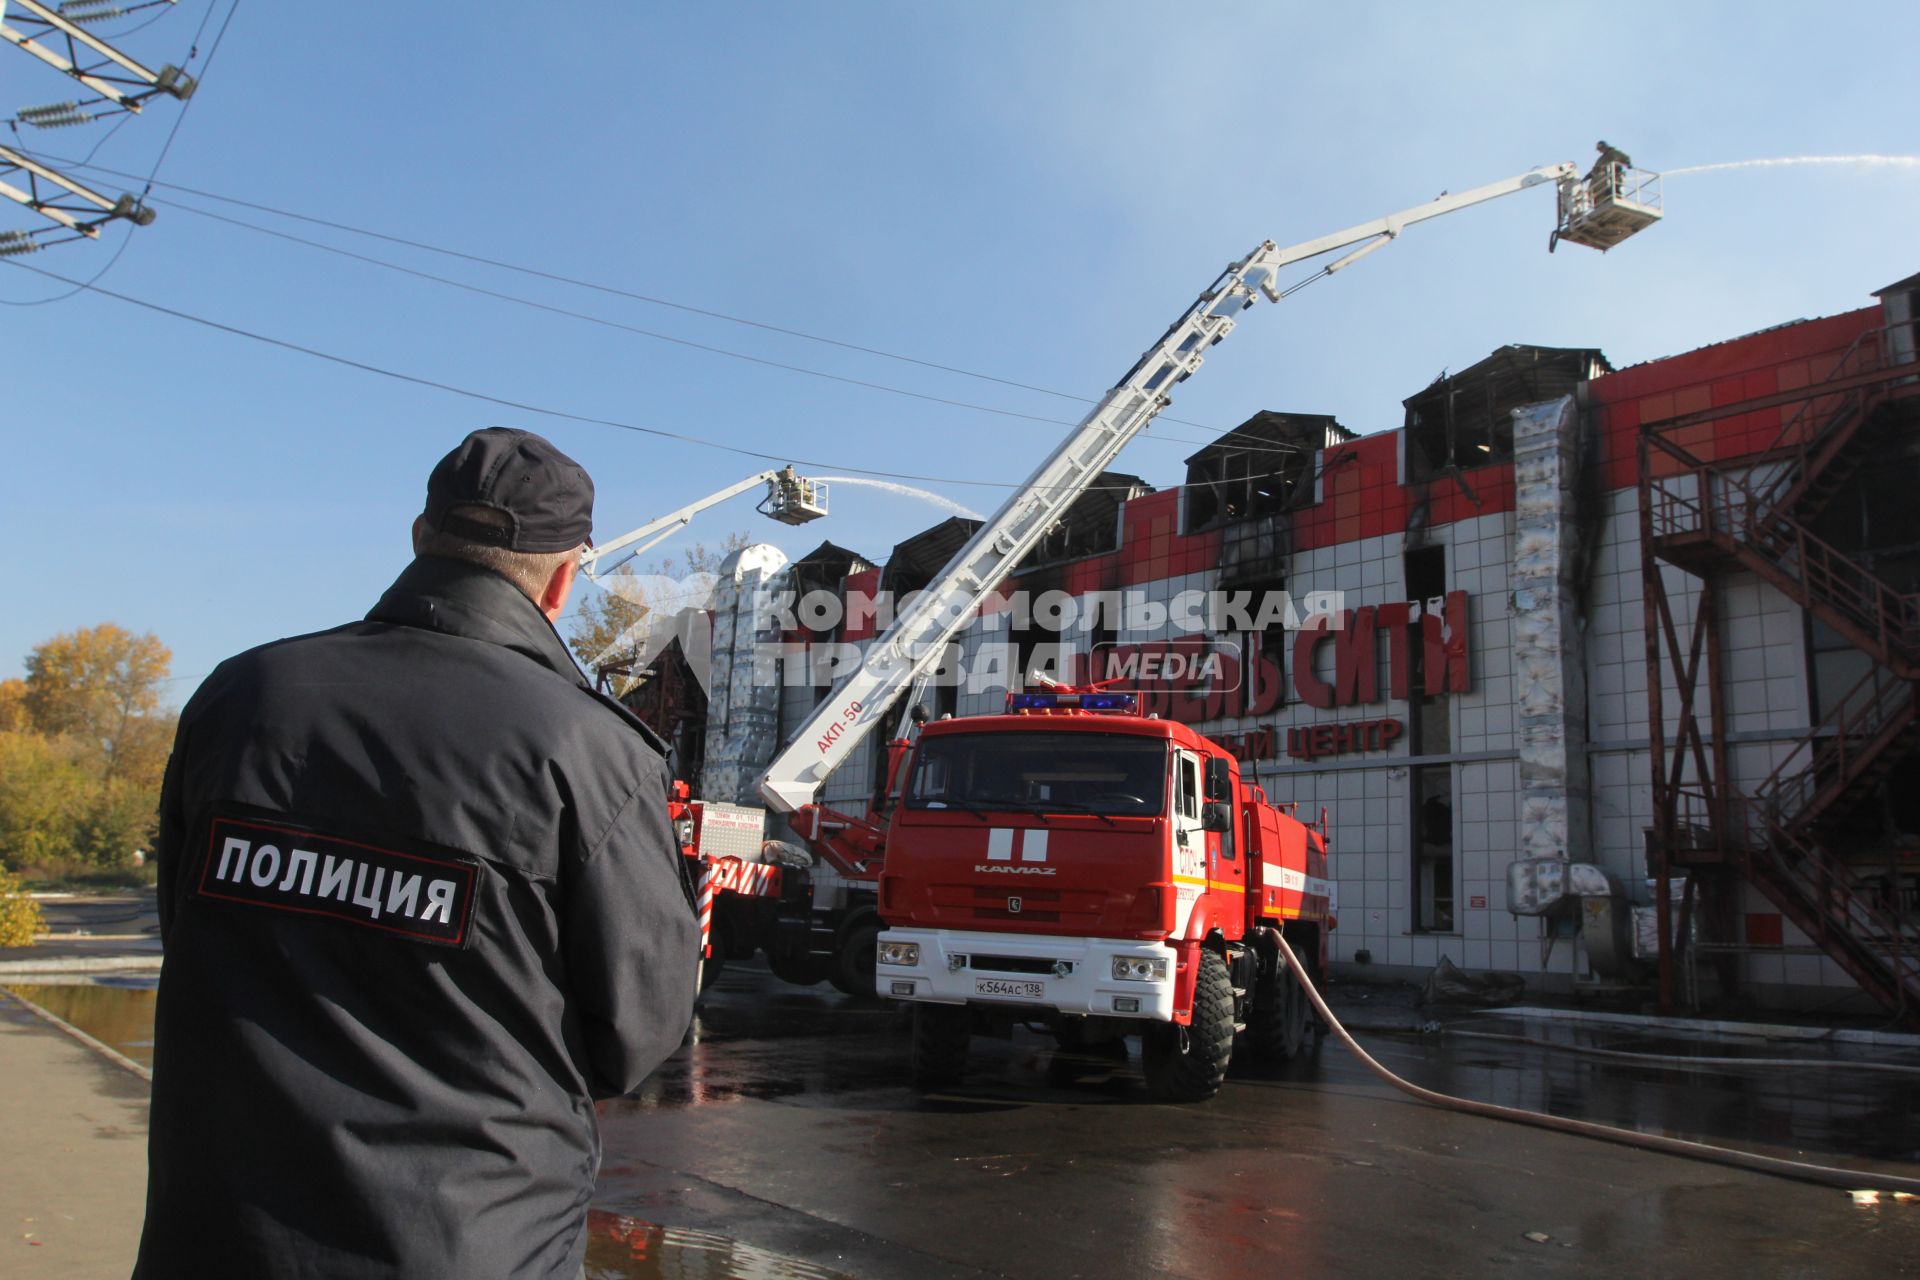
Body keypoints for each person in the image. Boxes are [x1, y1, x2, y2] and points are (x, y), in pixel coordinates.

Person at [133, 427, 699, 1279]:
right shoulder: (590, 754)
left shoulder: (241, 698)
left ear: (418, 538)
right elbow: (637, 1033)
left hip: (217, 1238)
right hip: (468, 1244)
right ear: (562, 579)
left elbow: (188, 927)